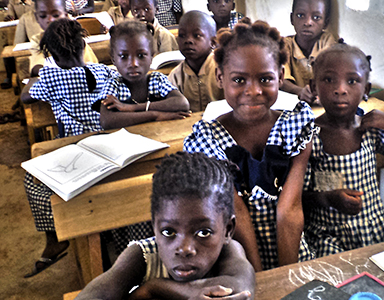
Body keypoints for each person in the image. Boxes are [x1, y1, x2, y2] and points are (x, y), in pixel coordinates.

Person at [184, 19, 317, 271]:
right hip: (236, 259)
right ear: (221, 77)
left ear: (280, 76)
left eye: (265, 79)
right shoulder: (207, 140)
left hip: (291, 250)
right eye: (239, 80)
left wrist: (283, 277)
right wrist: (258, 280)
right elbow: (236, 214)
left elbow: (289, 209)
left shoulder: (296, 126)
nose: (253, 91)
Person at [75, 151, 255, 300]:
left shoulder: (229, 250)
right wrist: (190, 293)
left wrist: (153, 288)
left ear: (228, 230)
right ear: (154, 226)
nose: (184, 249)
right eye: (168, 231)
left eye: (203, 232)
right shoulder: (142, 255)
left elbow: (242, 288)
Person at [20, 18, 118, 278]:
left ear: (50, 53)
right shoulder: (101, 71)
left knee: (33, 181)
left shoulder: (51, 77)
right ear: (82, 46)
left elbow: (25, 96)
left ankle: (55, 238)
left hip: (77, 155)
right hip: (110, 149)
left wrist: (38, 75)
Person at [303, 41, 384, 258]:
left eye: (352, 81)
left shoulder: (371, 129)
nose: (340, 89)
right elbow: (298, 197)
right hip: (330, 237)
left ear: (365, 89)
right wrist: (328, 198)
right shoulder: (311, 136)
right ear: (314, 87)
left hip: (375, 231)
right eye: (328, 80)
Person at [93, 20, 190, 130]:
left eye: (141, 55)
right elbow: (108, 121)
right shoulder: (113, 85)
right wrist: (155, 115)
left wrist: (131, 108)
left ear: (151, 57)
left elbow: (182, 104)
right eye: (124, 56)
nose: (133, 64)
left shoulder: (157, 80)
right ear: (113, 60)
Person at [280, 0, 336, 105]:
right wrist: (299, 91)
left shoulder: (327, 42)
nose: (308, 22)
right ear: (292, 19)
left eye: (316, 17)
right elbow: (282, 80)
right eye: (301, 15)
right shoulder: (284, 45)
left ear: (326, 23)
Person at [168, 10, 225, 112]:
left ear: (212, 42)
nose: (188, 40)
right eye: (182, 35)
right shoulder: (175, 76)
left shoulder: (223, 70)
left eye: (197, 35)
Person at [28, 0, 98, 77]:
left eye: (56, 15)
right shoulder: (37, 40)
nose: (50, 20)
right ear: (36, 18)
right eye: (43, 16)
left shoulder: (74, 36)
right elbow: (37, 67)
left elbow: (91, 64)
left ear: (65, 15)